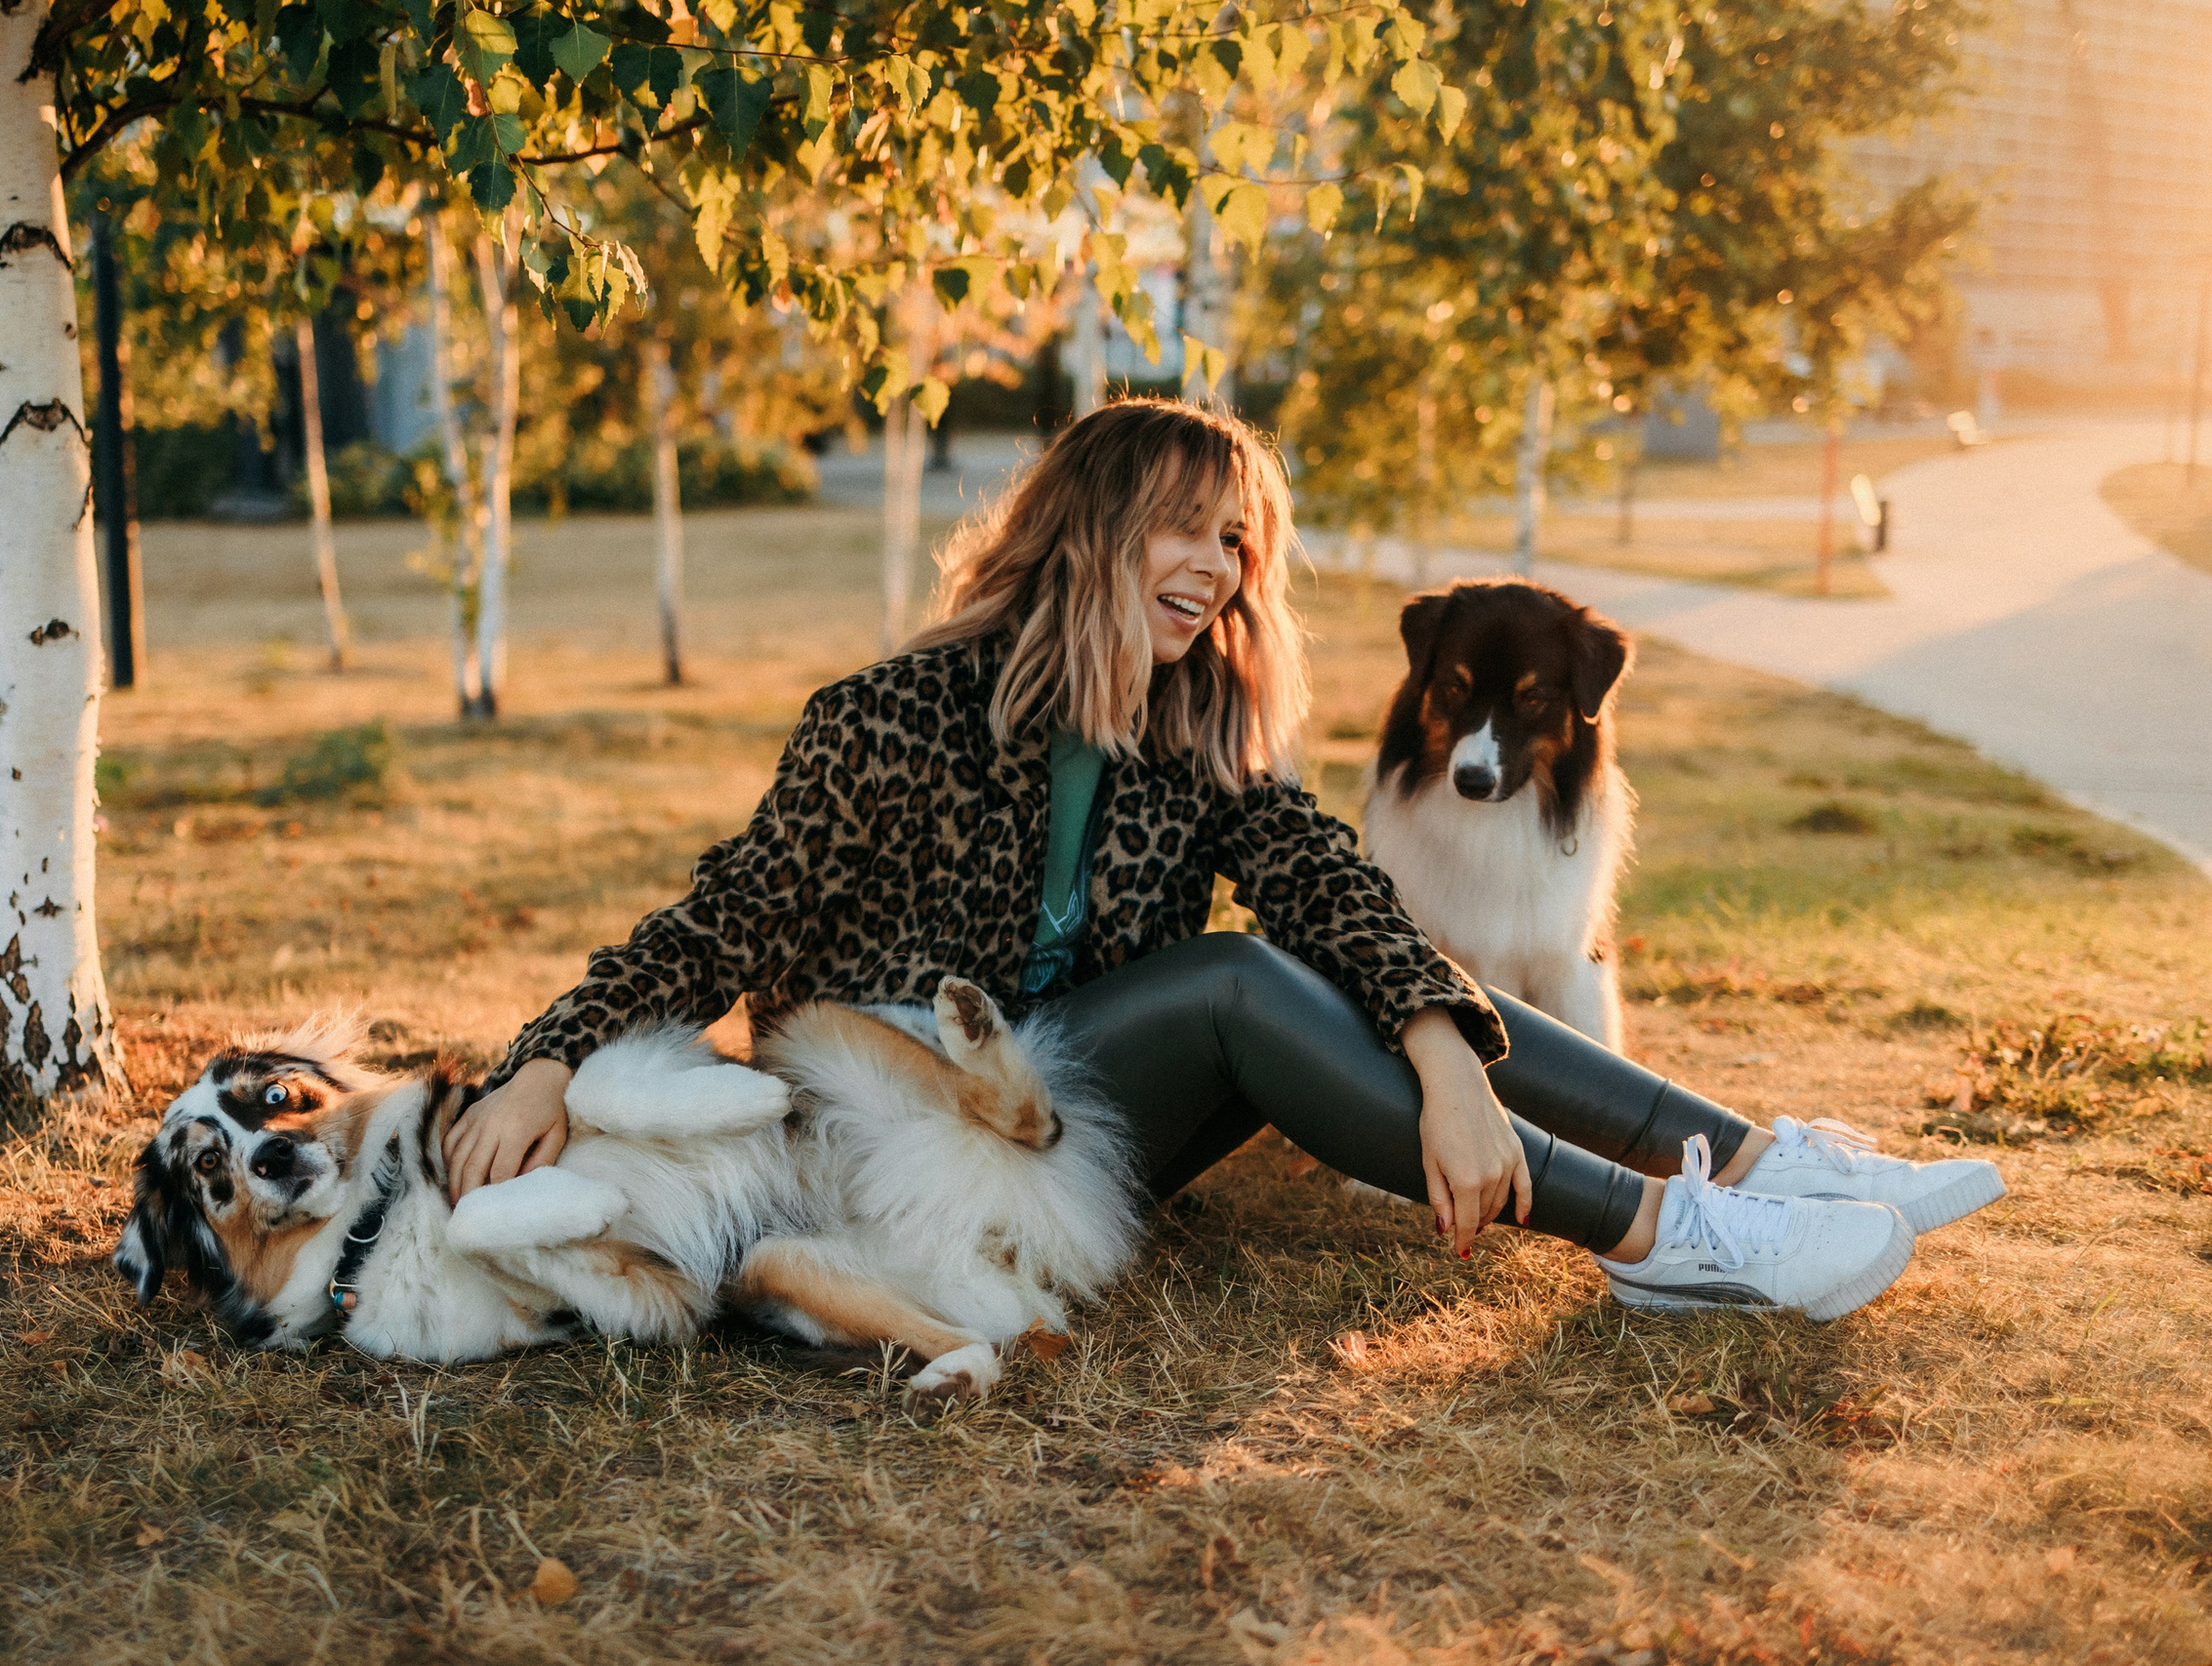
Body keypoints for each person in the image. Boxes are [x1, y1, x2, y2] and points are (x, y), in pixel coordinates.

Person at [446, 400, 2003, 1320]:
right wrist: (543, 1062)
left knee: (1326, 957)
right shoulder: (894, 716)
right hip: (896, 1139)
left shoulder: (1192, 730)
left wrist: (1450, 1054)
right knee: (1239, 984)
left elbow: (1327, 883)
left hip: (1089, 1122)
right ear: (1089, 534)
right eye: (1184, 531)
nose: (1217, 569)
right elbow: (724, 918)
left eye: (1238, 542)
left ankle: (1752, 1159)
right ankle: (1664, 1237)